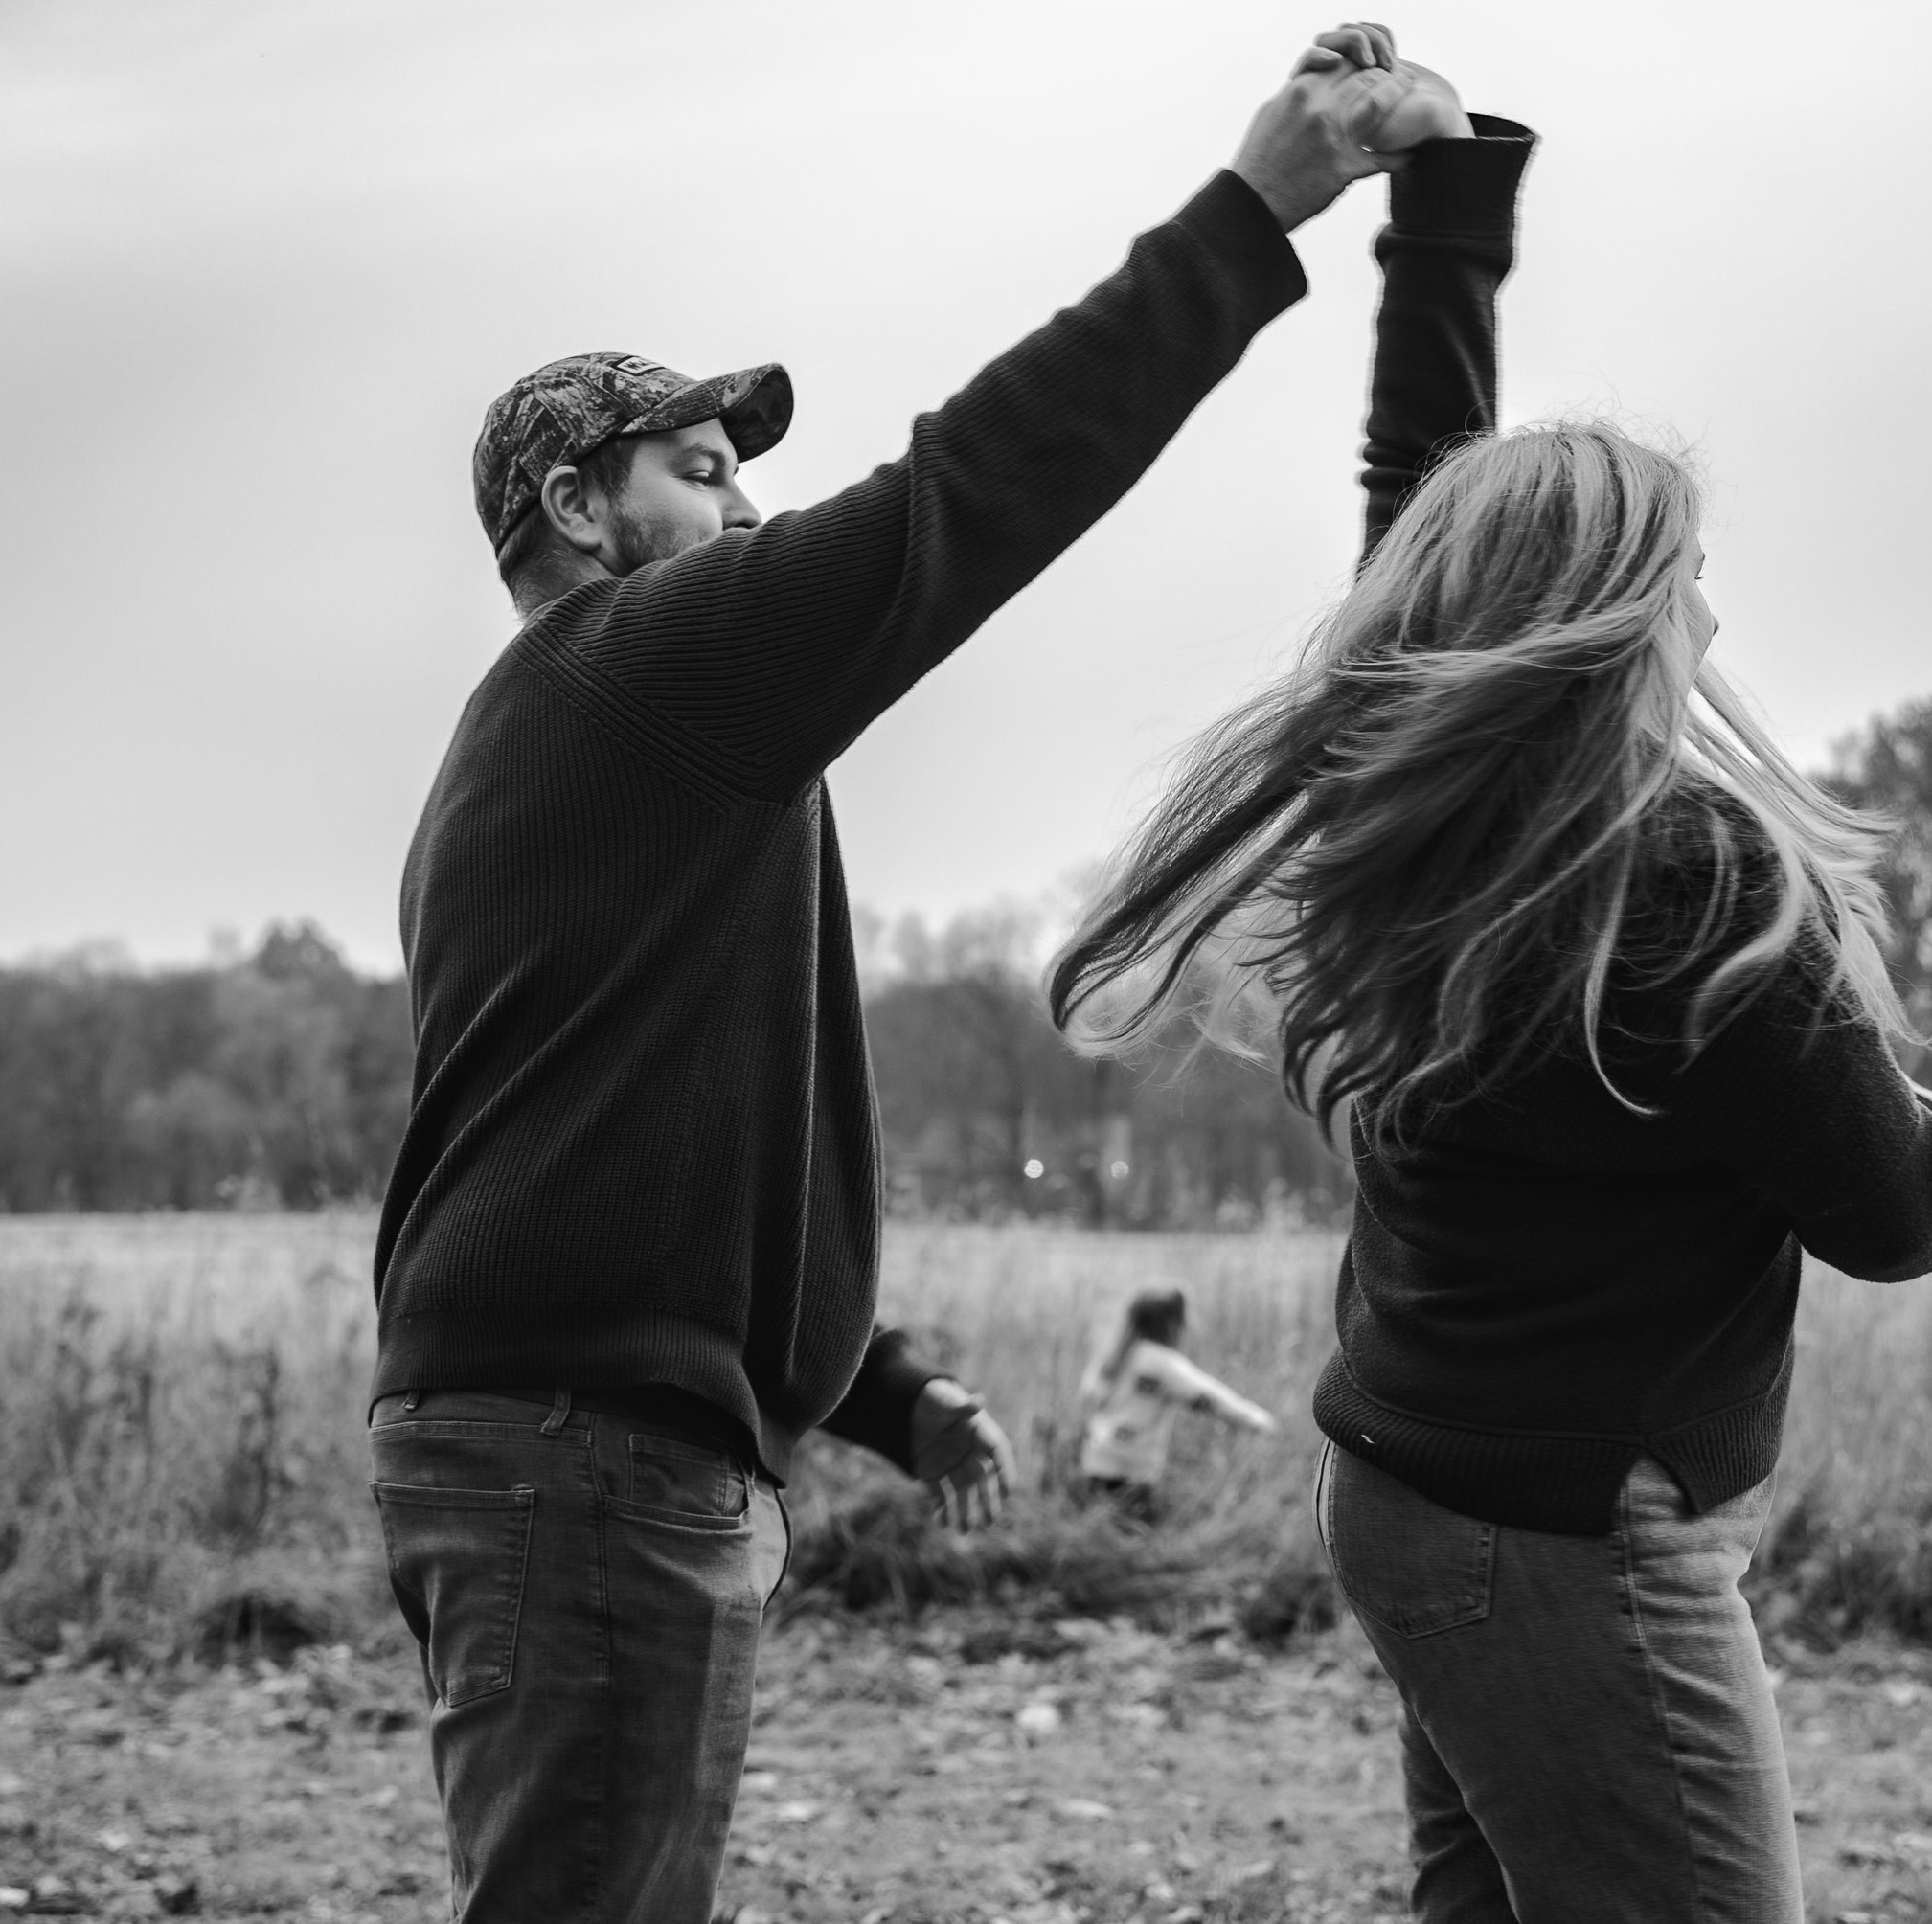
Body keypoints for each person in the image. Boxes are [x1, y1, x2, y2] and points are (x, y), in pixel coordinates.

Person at [366, 27, 1443, 1923]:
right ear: (572, 507)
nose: (751, 512)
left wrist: (866, 1383)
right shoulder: (645, 660)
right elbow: (971, 494)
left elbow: (623, 1139)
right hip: (579, 1459)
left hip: (567, 1439)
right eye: (700, 470)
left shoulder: (579, 751)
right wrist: (1255, 212)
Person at [1048, 38, 1932, 1924]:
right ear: (1624, 617)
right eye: (1684, 574)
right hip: (1570, 1537)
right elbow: (1896, 1217)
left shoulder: (1440, 815)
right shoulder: (1676, 872)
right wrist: (1917, 1100)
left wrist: (1447, 208)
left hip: (1416, 1488)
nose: (1707, 609)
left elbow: (1422, 508)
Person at [1078, 1287, 1277, 1519]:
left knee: (1105, 1529)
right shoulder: (1163, 1364)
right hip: (1132, 1467)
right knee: (1133, 1531)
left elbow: (1088, 1397)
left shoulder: (1116, 1354)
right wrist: (1256, 1421)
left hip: (1098, 1458)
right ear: (1172, 1322)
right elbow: (1209, 1397)